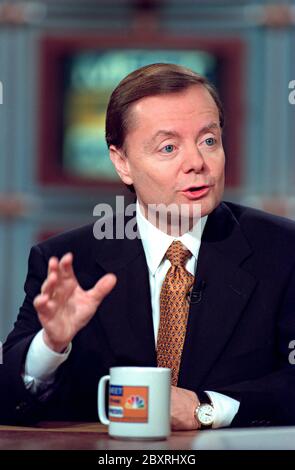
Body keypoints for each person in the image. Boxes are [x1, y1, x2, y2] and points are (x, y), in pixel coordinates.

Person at [1, 63, 295, 429]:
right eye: (168, 147)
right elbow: (9, 398)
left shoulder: (283, 250)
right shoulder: (68, 262)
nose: (197, 163)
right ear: (122, 162)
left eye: (209, 141)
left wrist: (207, 410)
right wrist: (51, 344)